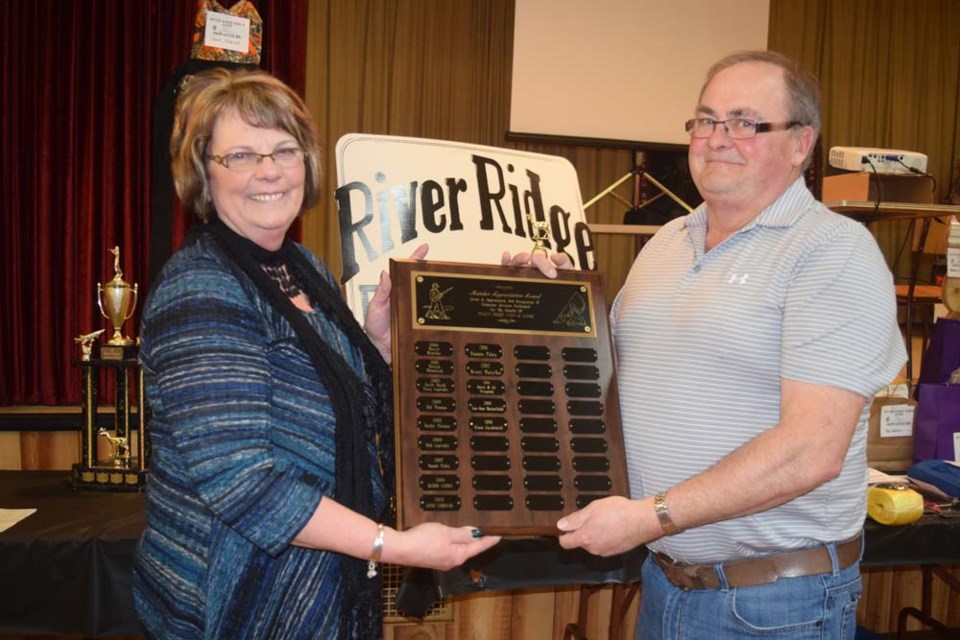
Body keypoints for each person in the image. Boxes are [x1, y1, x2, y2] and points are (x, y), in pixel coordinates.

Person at [507, 50, 906, 638]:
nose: (718, 138)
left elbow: (811, 450)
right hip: (667, 582)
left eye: (745, 122)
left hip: (774, 605)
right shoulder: (665, 243)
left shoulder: (833, 253)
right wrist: (541, 305)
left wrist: (652, 516)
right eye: (706, 120)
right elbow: (611, 388)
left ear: (801, 143)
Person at [132, 68, 500, 640]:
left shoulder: (303, 268)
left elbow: (339, 402)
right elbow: (243, 483)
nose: (270, 171)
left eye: (285, 149)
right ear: (204, 173)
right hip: (235, 602)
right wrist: (394, 544)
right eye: (242, 156)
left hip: (321, 587)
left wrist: (374, 339)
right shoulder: (202, 289)